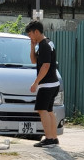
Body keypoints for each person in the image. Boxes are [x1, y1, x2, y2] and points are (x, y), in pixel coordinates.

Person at [25, 20, 60, 148]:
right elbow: (34, 60)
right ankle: (54, 138)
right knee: (49, 111)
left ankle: (49, 138)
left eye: (30, 34)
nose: (29, 36)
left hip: (47, 84)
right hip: (52, 83)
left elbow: (45, 66)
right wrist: (32, 46)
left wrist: (36, 82)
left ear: (36, 32)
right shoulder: (45, 43)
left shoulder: (44, 45)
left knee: (42, 110)